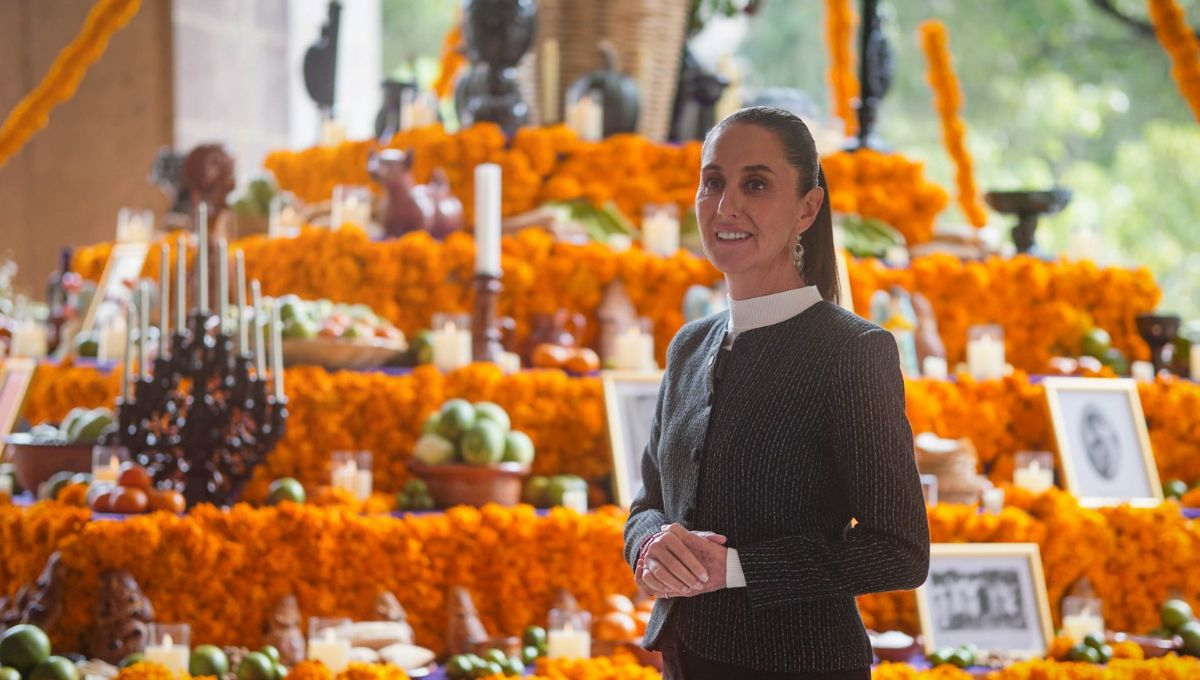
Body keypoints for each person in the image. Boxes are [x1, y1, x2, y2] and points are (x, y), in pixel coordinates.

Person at [623, 106, 930, 680]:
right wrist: (650, 544)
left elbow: (901, 550)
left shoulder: (851, 351)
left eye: (755, 184)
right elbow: (647, 503)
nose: (725, 206)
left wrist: (735, 568)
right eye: (712, 182)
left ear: (807, 208)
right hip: (684, 663)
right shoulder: (689, 345)